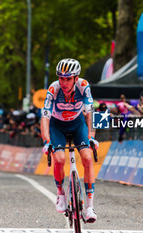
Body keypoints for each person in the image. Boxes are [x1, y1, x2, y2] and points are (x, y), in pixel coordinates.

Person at [40, 58, 99, 223]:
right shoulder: (53, 89)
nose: (64, 82)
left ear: (75, 77)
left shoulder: (83, 86)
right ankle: (60, 194)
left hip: (77, 124)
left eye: (68, 78)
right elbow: (44, 117)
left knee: (87, 158)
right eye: (61, 78)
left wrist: (92, 137)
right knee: (59, 159)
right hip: (57, 126)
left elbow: (90, 113)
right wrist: (46, 141)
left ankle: (89, 206)